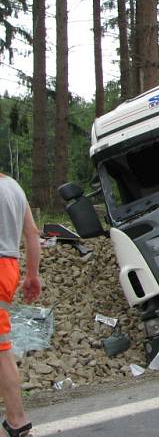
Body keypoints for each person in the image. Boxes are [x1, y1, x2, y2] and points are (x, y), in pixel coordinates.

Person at [0, 173, 41, 437]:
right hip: (9, 267)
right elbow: (32, 234)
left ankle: (17, 420)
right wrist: (32, 275)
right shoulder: (14, 186)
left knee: (1, 349)